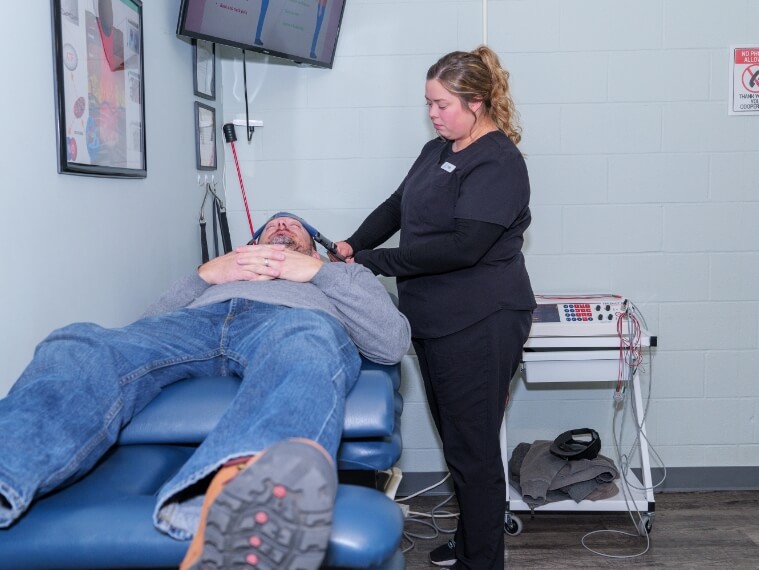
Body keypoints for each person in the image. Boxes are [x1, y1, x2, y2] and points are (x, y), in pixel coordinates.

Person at [0, 212, 410, 570]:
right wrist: (206, 276)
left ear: (316, 249)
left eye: (295, 226)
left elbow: (390, 344)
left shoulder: (339, 274)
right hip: (196, 325)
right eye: (273, 225)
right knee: (81, 341)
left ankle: (249, 510)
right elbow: (144, 330)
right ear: (250, 247)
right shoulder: (220, 272)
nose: (283, 224)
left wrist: (317, 273)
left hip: (291, 322)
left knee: (304, 345)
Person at [334, 46, 535, 569]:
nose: (433, 114)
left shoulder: (498, 162)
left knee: (473, 451)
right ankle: (472, 542)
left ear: (477, 102)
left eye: (442, 104)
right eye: (428, 103)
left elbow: (462, 247)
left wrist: (375, 261)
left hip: (481, 320)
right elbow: (397, 206)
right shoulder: (438, 149)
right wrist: (351, 246)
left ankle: (482, 561)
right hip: (436, 320)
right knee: (461, 445)